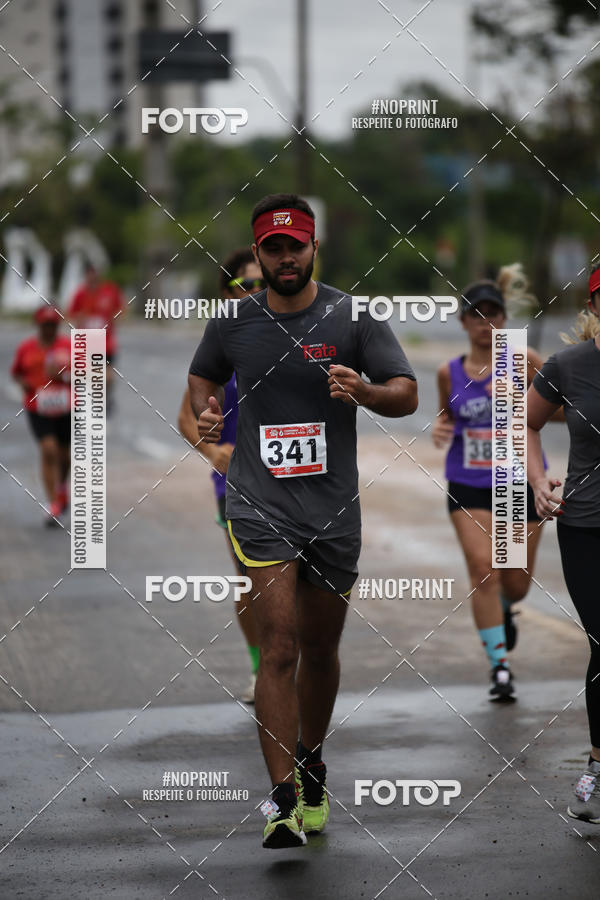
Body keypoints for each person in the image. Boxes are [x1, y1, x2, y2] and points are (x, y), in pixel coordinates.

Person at [188, 193, 417, 849]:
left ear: (315, 248)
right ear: (257, 254)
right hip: (259, 507)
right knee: (280, 645)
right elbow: (201, 383)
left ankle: (312, 759)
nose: (285, 258)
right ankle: (282, 798)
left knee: (319, 650)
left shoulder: (355, 317)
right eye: (272, 248)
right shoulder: (232, 324)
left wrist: (367, 391)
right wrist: (208, 421)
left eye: (295, 246)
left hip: (334, 512)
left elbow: (407, 391)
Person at [432, 273, 553, 702]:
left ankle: (506, 610)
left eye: (494, 313)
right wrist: (440, 427)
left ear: (504, 318)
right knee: (484, 570)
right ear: (464, 322)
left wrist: (526, 409)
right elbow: (448, 414)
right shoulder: (448, 373)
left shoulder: (528, 360)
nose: (486, 323)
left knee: (515, 583)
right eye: (476, 315)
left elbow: (558, 413)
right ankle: (499, 666)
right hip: (468, 482)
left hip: (521, 480)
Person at [527, 261, 600, 825]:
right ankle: (598, 770)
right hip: (587, 527)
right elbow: (523, 422)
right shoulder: (570, 366)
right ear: (593, 308)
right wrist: (537, 479)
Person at [178, 248, 265, 704]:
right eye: (244, 285)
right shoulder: (221, 342)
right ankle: (260, 670)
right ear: (226, 292)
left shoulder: (291, 334)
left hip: (293, 480)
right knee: (251, 578)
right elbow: (185, 416)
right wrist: (212, 450)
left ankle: (295, 664)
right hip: (235, 486)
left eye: (260, 284)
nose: (254, 292)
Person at [11, 305, 71, 525]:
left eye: (53, 325)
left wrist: (64, 377)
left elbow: (89, 377)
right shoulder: (26, 348)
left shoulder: (70, 346)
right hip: (38, 408)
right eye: (45, 325)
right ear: (38, 325)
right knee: (49, 450)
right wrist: (24, 383)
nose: (49, 330)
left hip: (66, 407)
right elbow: (16, 373)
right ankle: (53, 502)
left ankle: (62, 487)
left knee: (65, 457)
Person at [67, 263, 124, 414]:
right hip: (86, 343)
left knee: (107, 377)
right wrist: (80, 318)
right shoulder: (80, 294)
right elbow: (71, 314)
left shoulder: (109, 291)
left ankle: (106, 398)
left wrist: (114, 318)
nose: (93, 277)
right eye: (90, 274)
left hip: (106, 343)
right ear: (86, 276)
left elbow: (121, 309)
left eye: (95, 273)